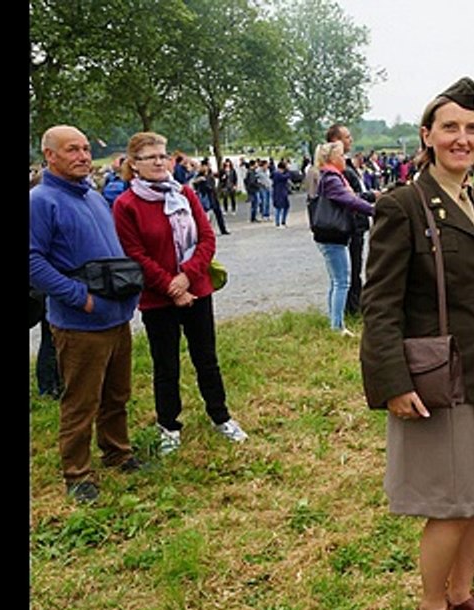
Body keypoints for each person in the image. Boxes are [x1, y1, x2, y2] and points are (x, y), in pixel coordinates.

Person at [360, 78, 474, 610]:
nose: (463, 138)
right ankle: (432, 608)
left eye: (472, 129)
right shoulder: (402, 204)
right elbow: (378, 302)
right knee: (451, 503)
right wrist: (392, 382)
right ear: (427, 136)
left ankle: (462, 592)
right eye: (451, 128)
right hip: (438, 375)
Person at [113, 131, 249, 457]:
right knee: (166, 365)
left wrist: (187, 277)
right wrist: (171, 287)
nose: (160, 161)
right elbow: (135, 255)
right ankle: (169, 426)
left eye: (164, 155)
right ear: (134, 164)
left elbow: (206, 239)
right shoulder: (126, 204)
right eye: (151, 157)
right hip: (158, 299)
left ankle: (221, 416)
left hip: (197, 290)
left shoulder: (184, 193)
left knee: (207, 359)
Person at [30, 125, 143, 503]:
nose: (82, 156)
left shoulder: (93, 196)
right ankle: (77, 473)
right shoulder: (41, 201)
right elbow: (32, 260)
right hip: (80, 323)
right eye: (71, 150)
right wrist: (80, 297)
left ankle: (117, 452)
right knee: (81, 401)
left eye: (84, 149)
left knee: (117, 393)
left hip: (115, 318)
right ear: (50, 155)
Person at [311, 140, 375, 336]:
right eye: (340, 155)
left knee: (336, 281)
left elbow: (353, 197)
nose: (344, 158)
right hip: (334, 235)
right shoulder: (332, 178)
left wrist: (371, 196)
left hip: (329, 235)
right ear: (331, 158)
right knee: (342, 282)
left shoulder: (331, 176)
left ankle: (335, 322)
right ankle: (338, 326)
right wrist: (374, 210)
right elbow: (349, 200)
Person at [270, 160, 292, 227]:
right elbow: (286, 176)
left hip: (280, 192)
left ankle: (282, 221)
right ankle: (279, 222)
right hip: (280, 192)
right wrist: (288, 170)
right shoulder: (278, 174)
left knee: (285, 207)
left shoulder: (275, 173)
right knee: (279, 208)